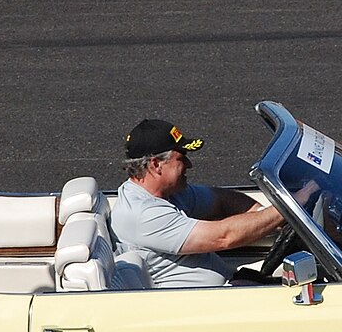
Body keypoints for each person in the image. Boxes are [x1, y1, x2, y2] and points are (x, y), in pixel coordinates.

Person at [111, 119, 318, 288]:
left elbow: (220, 200)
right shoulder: (142, 214)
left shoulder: (169, 193)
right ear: (156, 164)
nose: (190, 164)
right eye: (182, 158)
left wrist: (264, 213)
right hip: (200, 312)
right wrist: (293, 204)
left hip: (225, 291)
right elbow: (223, 237)